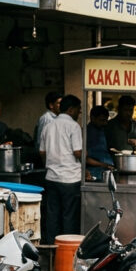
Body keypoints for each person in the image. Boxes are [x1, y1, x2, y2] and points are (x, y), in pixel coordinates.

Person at [39, 95, 82, 244]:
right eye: (78, 110)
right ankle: (67, 248)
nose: (79, 113)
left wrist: (50, 164)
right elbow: (77, 152)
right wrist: (86, 157)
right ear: (71, 110)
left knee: (52, 216)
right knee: (69, 216)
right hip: (70, 178)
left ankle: (52, 249)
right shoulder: (74, 126)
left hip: (51, 178)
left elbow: (42, 152)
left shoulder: (48, 126)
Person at [85, 106, 115, 180]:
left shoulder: (102, 130)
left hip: (106, 171)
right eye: (102, 120)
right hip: (93, 173)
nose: (105, 123)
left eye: (106, 120)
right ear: (92, 118)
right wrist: (103, 165)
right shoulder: (86, 134)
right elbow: (84, 158)